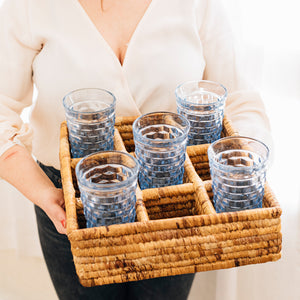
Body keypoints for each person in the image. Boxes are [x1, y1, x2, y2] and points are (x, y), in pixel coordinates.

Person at [0, 0, 272, 299]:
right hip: (70, 199)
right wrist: (42, 192)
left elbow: (239, 98)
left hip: (172, 198)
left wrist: (242, 170)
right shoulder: (27, 5)